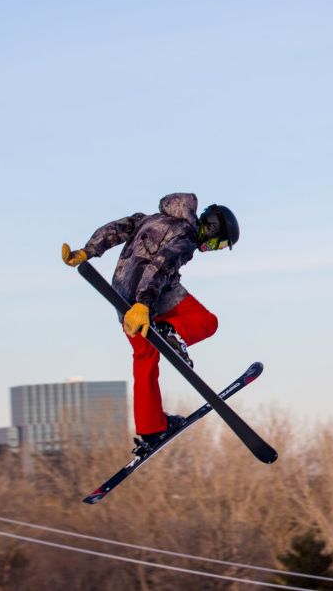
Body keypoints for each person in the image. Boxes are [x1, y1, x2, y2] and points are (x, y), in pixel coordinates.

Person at [60, 192, 239, 449]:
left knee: (144, 358)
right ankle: (172, 333)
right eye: (216, 244)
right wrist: (144, 305)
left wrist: (87, 250)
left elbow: (118, 228)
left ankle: (151, 428)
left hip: (123, 298)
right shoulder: (186, 235)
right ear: (211, 228)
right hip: (151, 298)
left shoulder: (151, 219)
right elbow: (161, 265)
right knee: (207, 321)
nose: (210, 249)